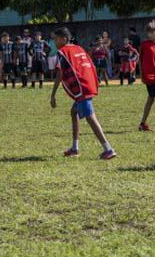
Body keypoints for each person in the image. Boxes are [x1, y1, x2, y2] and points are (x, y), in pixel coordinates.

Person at [49, 27, 117, 160]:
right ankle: (75, 148)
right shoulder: (79, 48)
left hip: (81, 88)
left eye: (56, 39)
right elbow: (89, 64)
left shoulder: (62, 52)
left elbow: (59, 73)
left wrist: (53, 95)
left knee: (90, 117)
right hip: (88, 83)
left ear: (63, 39)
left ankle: (108, 149)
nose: (54, 42)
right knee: (74, 112)